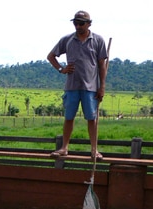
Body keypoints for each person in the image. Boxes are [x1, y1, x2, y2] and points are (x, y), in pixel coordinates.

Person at [47, 10, 108, 160]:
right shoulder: (67, 40)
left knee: (92, 118)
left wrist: (102, 87)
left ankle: (94, 150)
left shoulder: (98, 40)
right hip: (72, 86)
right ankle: (64, 148)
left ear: (89, 24)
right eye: (75, 23)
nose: (78, 26)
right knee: (69, 117)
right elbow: (51, 56)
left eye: (81, 23)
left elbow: (102, 65)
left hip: (90, 87)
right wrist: (62, 69)